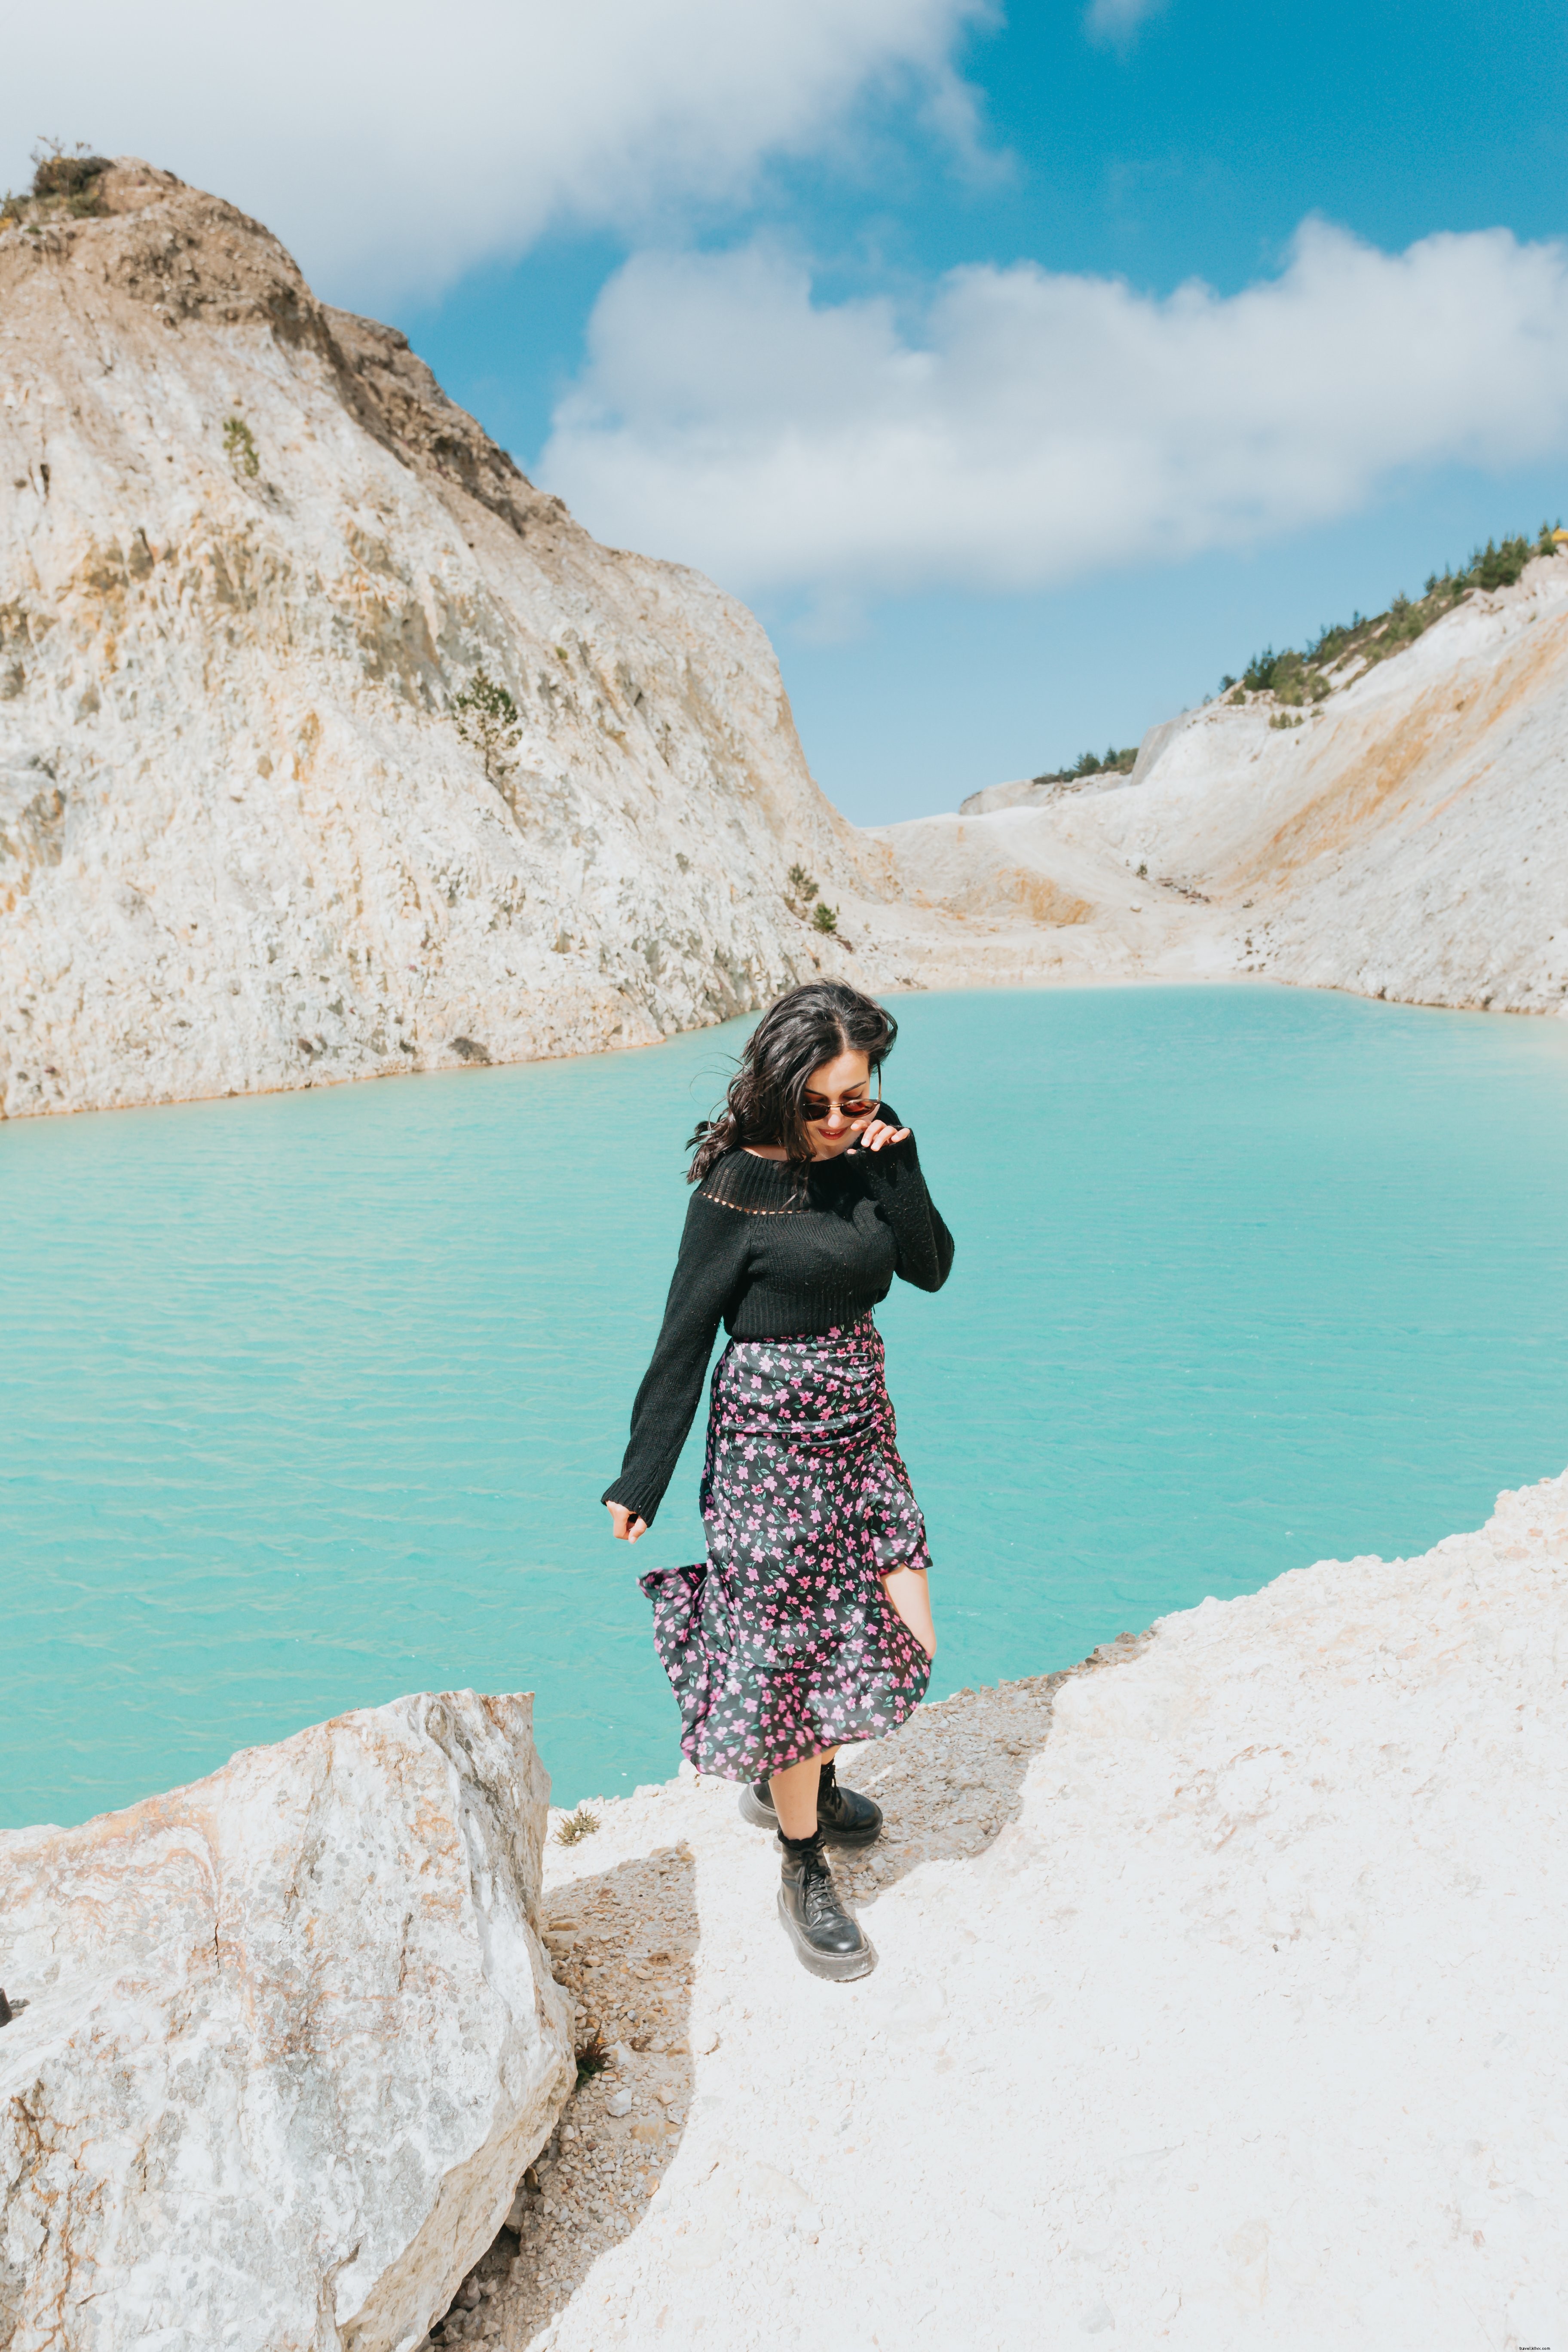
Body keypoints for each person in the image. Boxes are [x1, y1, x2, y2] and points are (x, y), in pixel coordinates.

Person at [603, 979, 955, 1980]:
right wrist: (643, 1474)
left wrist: (904, 1165)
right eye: (822, 1104)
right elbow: (683, 1335)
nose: (842, 1120)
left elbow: (928, 1268)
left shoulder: (870, 1159)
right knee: (798, 1664)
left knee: (902, 1632)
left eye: (859, 1098)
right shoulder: (732, 1188)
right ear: (781, 1085)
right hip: (768, 1454)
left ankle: (803, 1773)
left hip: (862, 1430)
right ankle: (801, 1860)